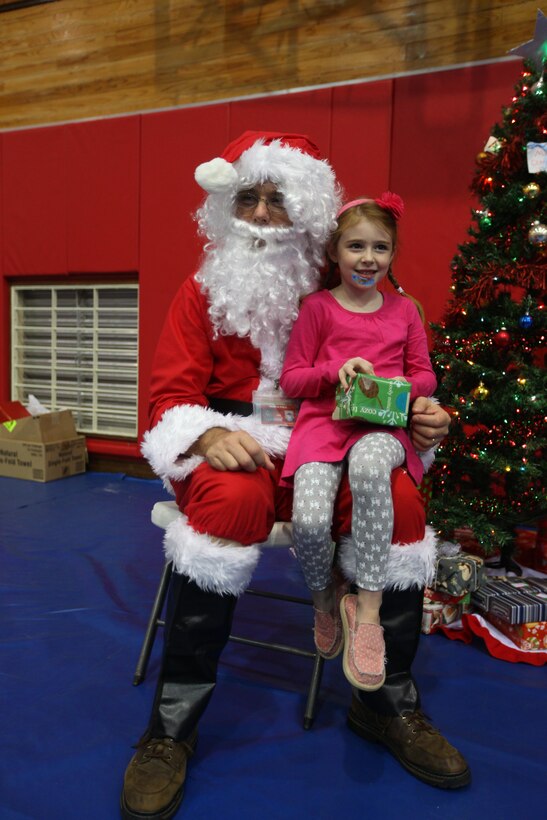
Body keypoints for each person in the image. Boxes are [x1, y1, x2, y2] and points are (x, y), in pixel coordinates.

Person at [120, 132, 469, 820]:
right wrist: (210, 433)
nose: (257, 212)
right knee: (225, 503)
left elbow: (401, 373)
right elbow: (167, 397)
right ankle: (170, 732)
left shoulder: (346, 282)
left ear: (307, 206)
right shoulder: (202, 291)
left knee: (399, 505)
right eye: (245, 197)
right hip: (239, 444)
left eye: (275, 198)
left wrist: (420, 418)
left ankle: (385, 704)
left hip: (334, 439)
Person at [279, 194, 437, 694]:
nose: (368, 258)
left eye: (381, 248)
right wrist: (336, 371)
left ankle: (367, 607)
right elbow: (293, 378)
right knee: (307, 518)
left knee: (370, 469)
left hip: (382, 428)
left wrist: (393, 388)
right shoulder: (318, 309)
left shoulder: (405, 311)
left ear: (392, 254)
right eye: (356, 246)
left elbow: (425, 377)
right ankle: (326, 596)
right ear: (334, 251)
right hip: (323, 428)